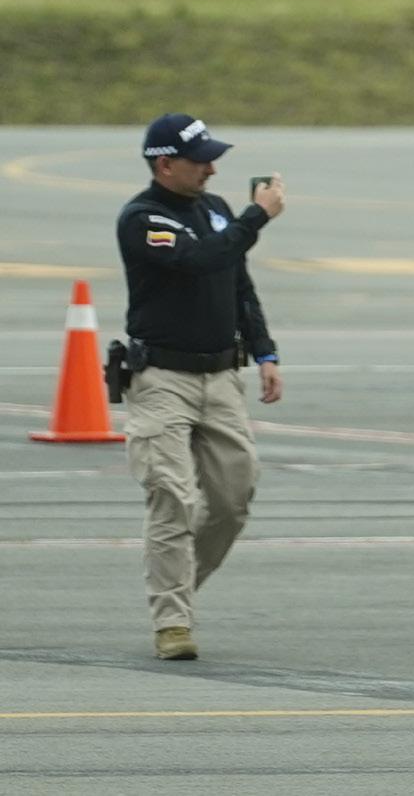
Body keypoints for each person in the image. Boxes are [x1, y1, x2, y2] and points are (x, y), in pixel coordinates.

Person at [117, 113, 286, 661]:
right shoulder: (144, 218)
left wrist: (264, 351)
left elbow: (238, 282)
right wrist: (257, 216)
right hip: (162, 380)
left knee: (233, 499)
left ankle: (179, 588)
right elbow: (196, 260)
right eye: (201, 161)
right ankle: (171, 620)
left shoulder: (214, 209)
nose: (212, 170)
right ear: (165, 164)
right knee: (172, 497)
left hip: (221, 377)